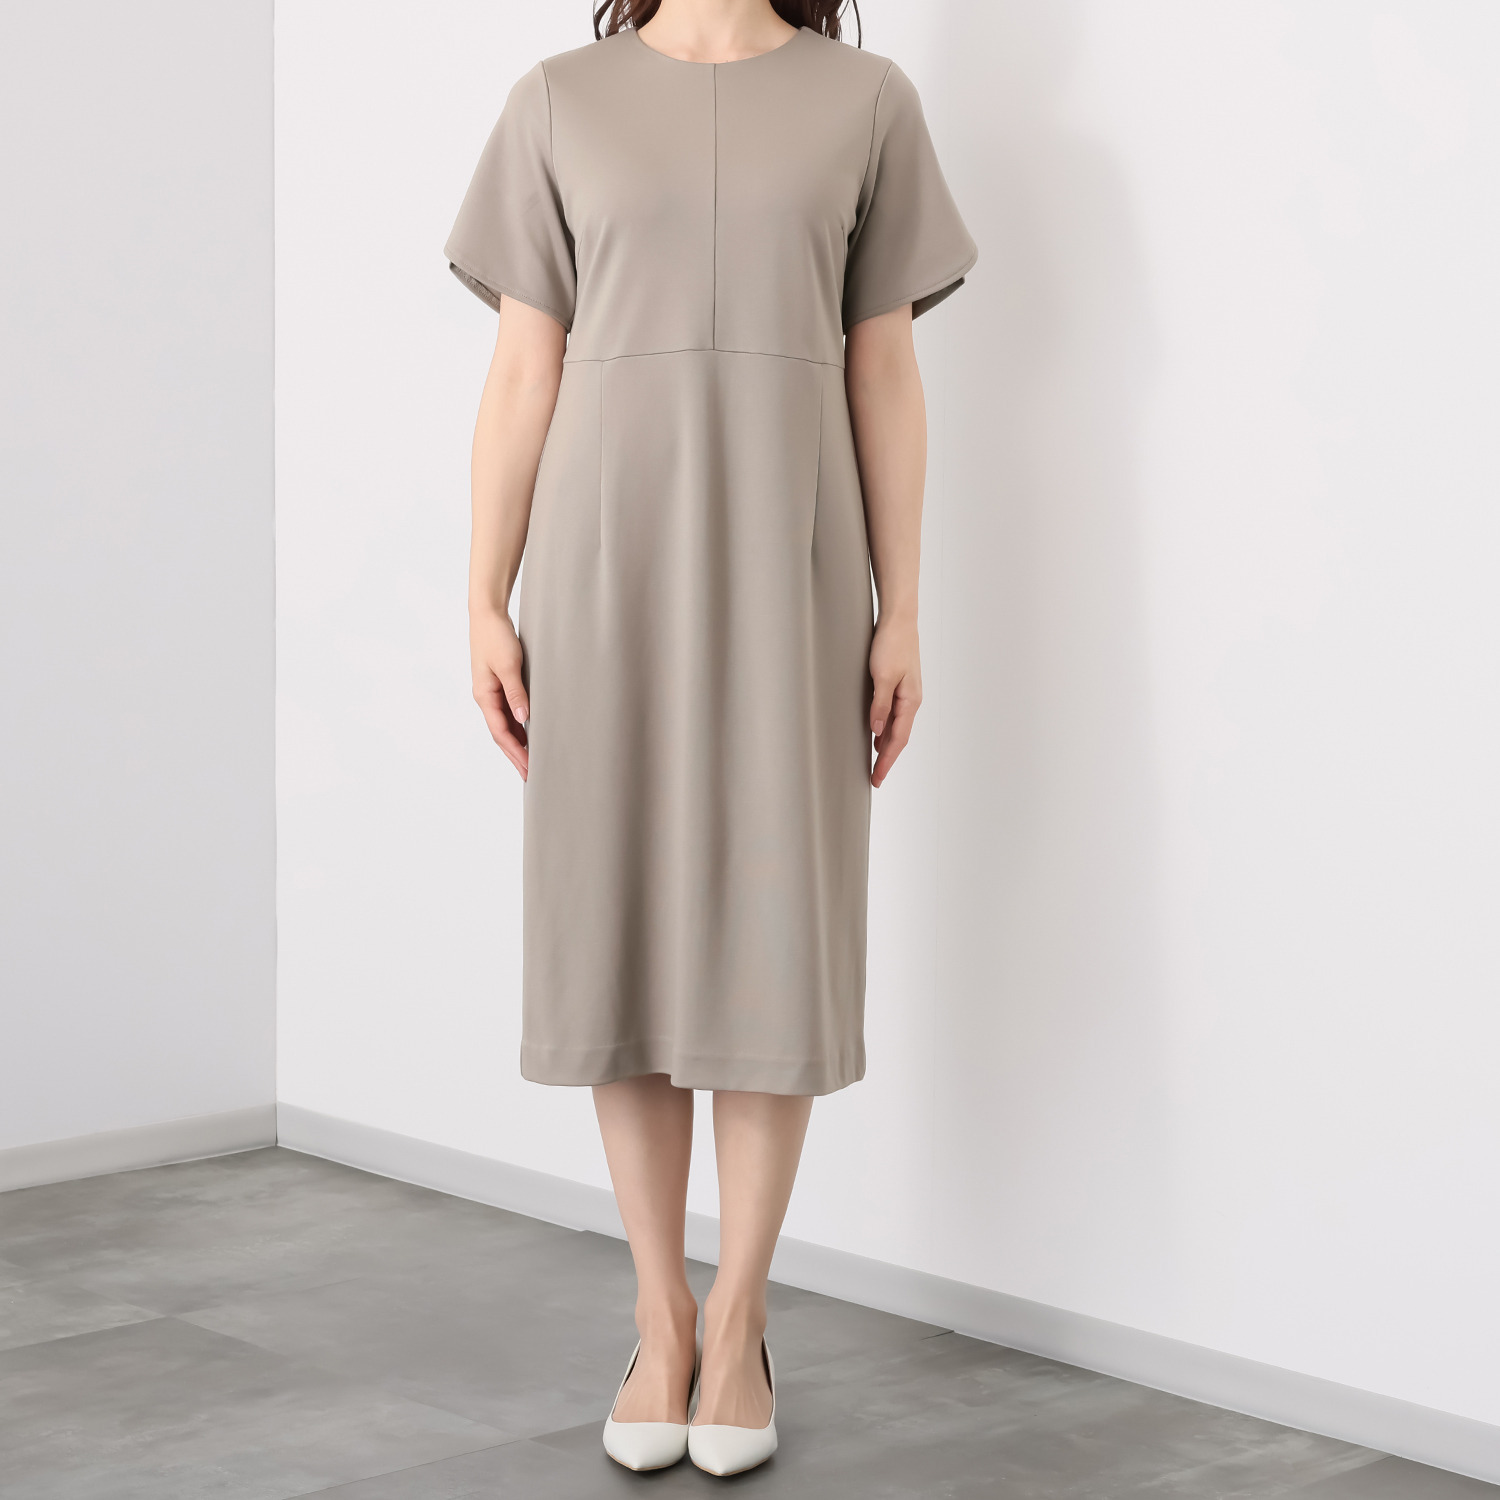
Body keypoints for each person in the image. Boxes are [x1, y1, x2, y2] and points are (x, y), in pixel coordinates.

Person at [444, 0, 975, 1476]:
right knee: (613, 925)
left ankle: (739, 1321)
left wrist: (902, 608)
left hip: (792, 563)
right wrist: (484, 597)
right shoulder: (559, 99)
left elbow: (884, 371)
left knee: (771, 930)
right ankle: (657, 1314)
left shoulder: (868, 101)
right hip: (605, 561)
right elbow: (524, 371)